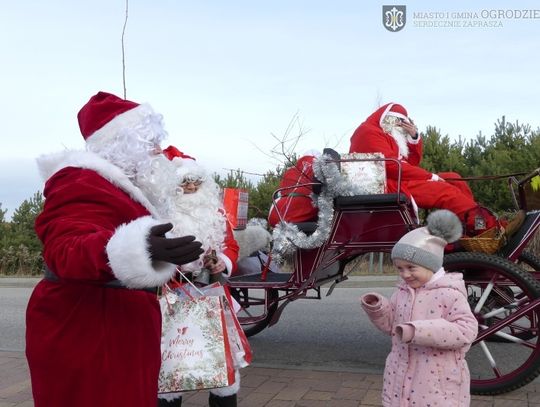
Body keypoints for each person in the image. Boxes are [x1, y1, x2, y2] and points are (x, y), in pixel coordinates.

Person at [26, 91, 204, 407]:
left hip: (117, 330)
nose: (158, 152)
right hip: (91, 333)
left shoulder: (122, 189)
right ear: (125, 145)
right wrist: (136, 247)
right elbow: (66, 249)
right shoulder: (80, 181)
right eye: (150, 144)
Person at [349, 102, 525, 237]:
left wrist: (414, 137)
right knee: (445, 191)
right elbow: (392, 166)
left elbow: (410, 163)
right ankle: (490, 228)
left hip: (399, 178)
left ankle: (470, 228)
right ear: (388, 119)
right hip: (388, 185)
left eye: (405, 122)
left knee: (453, 178)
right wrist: (430, 177)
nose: (402, 125)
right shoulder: (368, 132)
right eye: (400, 121)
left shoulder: (387, 134)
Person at [360, 209, 478, 406]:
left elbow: (466, 331)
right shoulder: (402, 292)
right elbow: (392, 327)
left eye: (411, 267)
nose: (405, 274)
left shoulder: (449, 294)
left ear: (430, 265)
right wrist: (379, 309)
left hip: (435, 383)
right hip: (399, 375)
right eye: (399, 268)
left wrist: (418, 331)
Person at [160, 145, 241, 407]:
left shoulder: (216, 214)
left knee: (220, 364)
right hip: (171, 294)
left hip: (212, 294)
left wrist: (221, 261)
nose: (192, 187)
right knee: (172, 363)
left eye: (196, 181)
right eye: (185, 182)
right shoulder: (161, 213)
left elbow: (231, 246)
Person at [268, 152, 320, 228]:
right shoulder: (318, 171)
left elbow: (279, 193)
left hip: (275, 216)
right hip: (300, 216)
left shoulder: (290, 171)